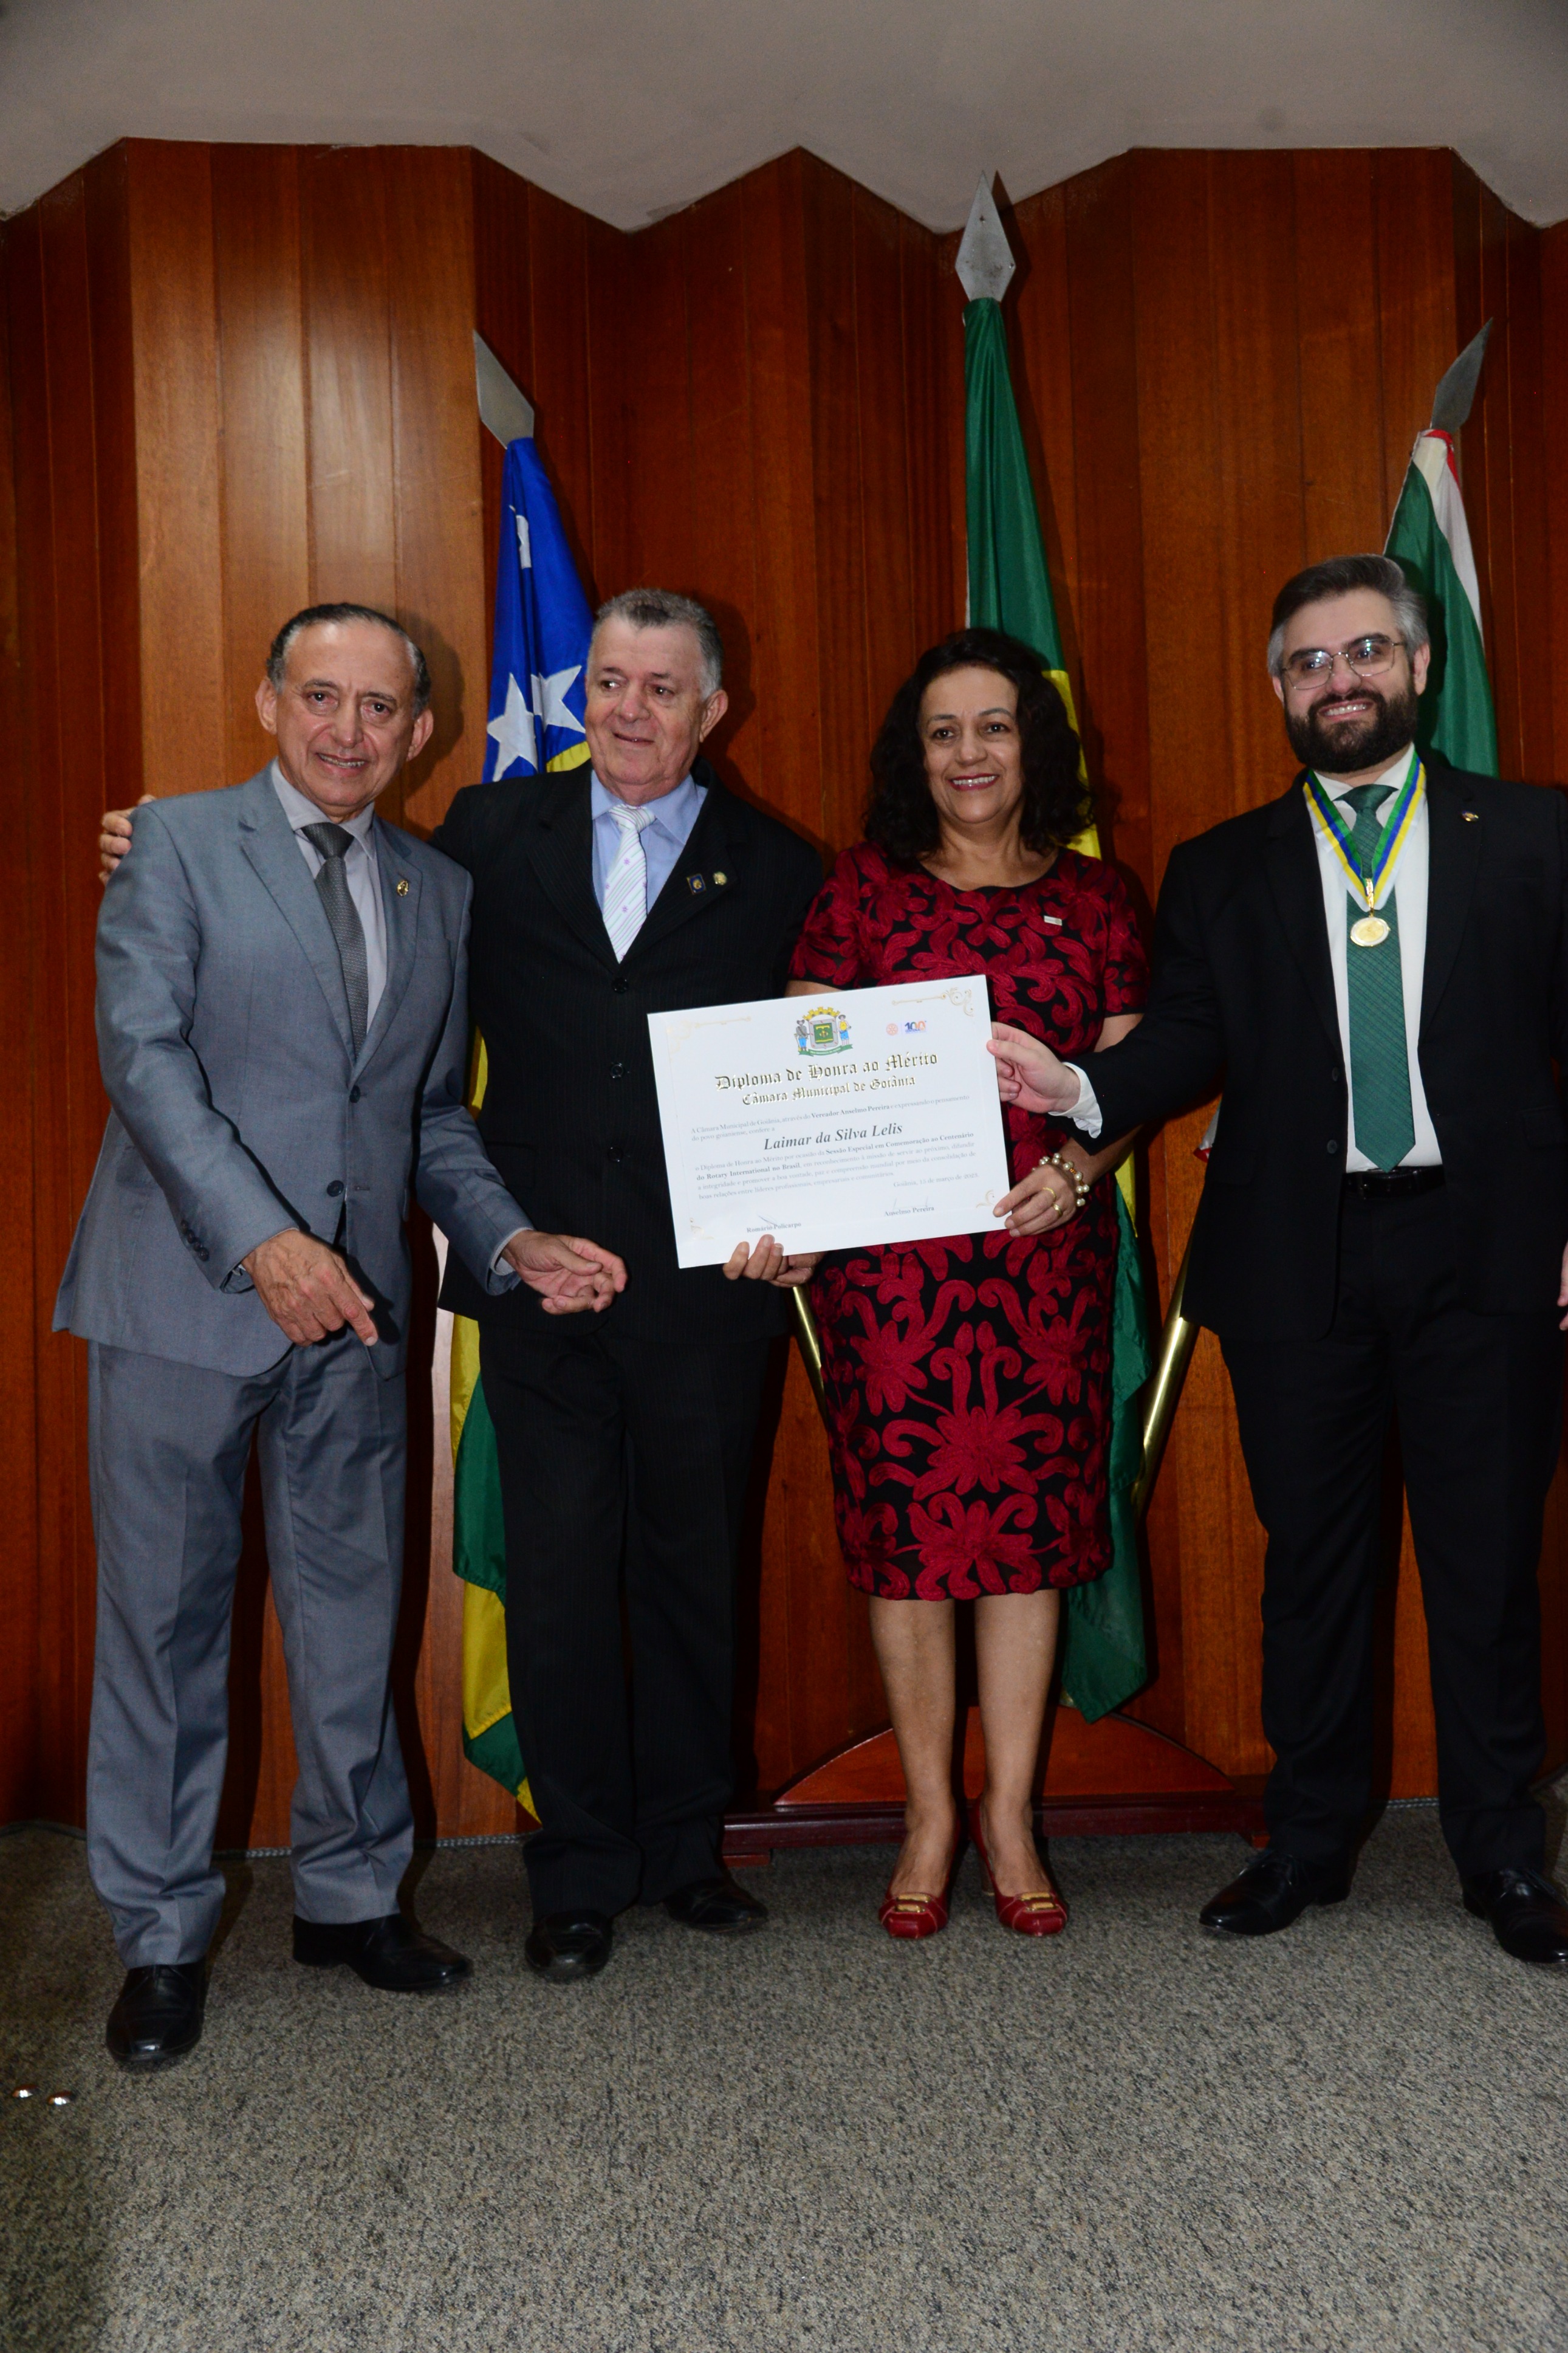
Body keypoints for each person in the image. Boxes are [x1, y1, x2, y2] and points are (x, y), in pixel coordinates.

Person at [988, 553, 1568, 1968]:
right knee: (1311, 1562)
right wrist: (1078, 1086)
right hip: (1294, 1256)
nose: (1337, 681)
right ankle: (1306, 1840)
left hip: (1489, 1244)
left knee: (1486, 1562)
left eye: (1363, 652)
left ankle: (1503, 1852)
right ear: (1278, 689)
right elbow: (1189, 1037)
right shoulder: (1222, 864)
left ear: (1417, 667)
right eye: (1308, 662)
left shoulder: (1534, 832)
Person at [69, 604, 626, 2069]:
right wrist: (265, 1241)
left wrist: (508, 1240)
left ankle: (350, 1896)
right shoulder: (174, 843)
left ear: (421, 733)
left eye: (380, 709)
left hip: (358, 1317)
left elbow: (430, 1114)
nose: (347, 730)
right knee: (165, 1628)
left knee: (347, 1611)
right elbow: (144, 1058)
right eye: (321, 697)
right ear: (269, 700)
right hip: (181, 1298)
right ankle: (162, 1936)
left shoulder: (438, 890)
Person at [428, 590, 823, 1981]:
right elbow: (368, 930)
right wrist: (164, 839)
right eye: (608, 681)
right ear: (581, 691)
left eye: (662, 688)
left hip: (708, 1286)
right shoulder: (486, 832)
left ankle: (684, 1847)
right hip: (537, 1271)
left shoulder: (778, 865)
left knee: (692, 1571)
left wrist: (800, 1221)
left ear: (714, 709)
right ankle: (579, 1866)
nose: (629, 711)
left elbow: (813, 1070)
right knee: (557, 1574)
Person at [765, 627, 1145, 1939]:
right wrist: (794, 1214)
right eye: (943, 731)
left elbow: (1129, 1076)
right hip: (890, 1279)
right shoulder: (860, 891)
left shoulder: (1098, 898)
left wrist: (1082, 1171)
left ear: (1032, 743)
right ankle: (928, 1812)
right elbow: (802, 1072)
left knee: (1026, 1547)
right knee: (909, 1546)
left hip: (1043, 1258)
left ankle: (1010, 1813)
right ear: (911, 754)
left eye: (993, 726)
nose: (969, 753)